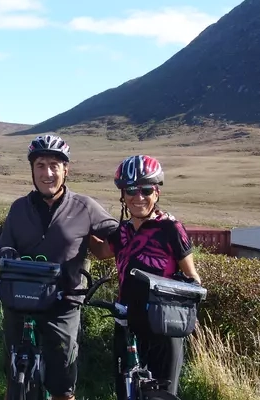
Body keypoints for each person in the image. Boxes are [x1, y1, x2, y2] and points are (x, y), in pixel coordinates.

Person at [0, 133, 119, 400]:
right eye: (40, 165)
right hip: (20, 301)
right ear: (32, 169)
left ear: (66, 169)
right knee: (14, 379)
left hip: (63, 304)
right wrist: (8, 257)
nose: (47, 173)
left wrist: (148, 228)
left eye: (54, 165)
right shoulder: (18, 208)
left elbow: (117, 234)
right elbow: (3, 247)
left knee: (63, 388)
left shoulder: (84, 206)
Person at [93, 154, 202, 398]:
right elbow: (101, 252)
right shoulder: (122, 232)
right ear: (123, 194)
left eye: (145, 189)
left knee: (162, 395)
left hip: (164, 328)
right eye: (131, 189)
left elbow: (192, 278)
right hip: (126, 324)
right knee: (126, 393)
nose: (138, 196)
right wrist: (79, 228)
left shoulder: (171, 228)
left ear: (157, 193)